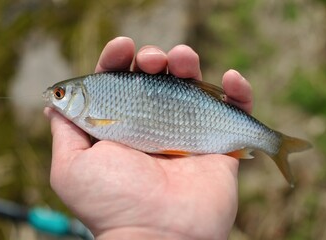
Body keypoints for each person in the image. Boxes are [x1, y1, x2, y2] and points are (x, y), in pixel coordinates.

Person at [44, 37, 253, 240]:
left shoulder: (90, 116)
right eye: (59, 94)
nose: (55, 98)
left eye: (59, 94)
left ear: (79, 95)